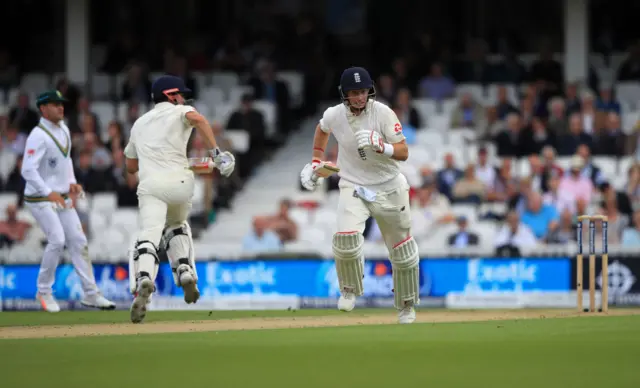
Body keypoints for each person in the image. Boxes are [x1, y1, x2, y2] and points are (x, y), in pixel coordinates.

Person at [300, 67, 419, 324]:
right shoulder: (334, 114)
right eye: (354, 93)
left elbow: (403, 151)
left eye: (363, 91)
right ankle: (349, 289)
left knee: (403, 252)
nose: (360, 97)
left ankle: (407, 305)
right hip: (353, 184)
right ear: (345, 94)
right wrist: (315, 162)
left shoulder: (383, 113)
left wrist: (381, 146)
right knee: (345, 241)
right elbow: (322, 130)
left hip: (389, 186)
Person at [124, 75, 235, 323]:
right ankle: (184, 268)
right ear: (171, 95)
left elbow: (131, 167)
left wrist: (151, 162)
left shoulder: (139, 124)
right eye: (181, 94)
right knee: (176, 225)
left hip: (151, 184)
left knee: (149, 233)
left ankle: (143, 277)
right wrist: (216, 155)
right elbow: (198, 119)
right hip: (181, 183)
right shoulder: (182, 111)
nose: (183, 98)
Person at [21, 90, 115, 313]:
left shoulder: (63, 129)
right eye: (55, 104)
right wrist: (47, 191)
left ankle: (91, 294)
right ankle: (43, 290)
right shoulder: (37, 135)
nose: (61, 107)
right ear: (43, 109)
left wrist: (71, 181)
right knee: (57, 239)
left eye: (61, 104)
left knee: (79, 241)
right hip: (39, 197)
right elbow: (27, 169)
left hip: (61, 196)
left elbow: (65, 160)